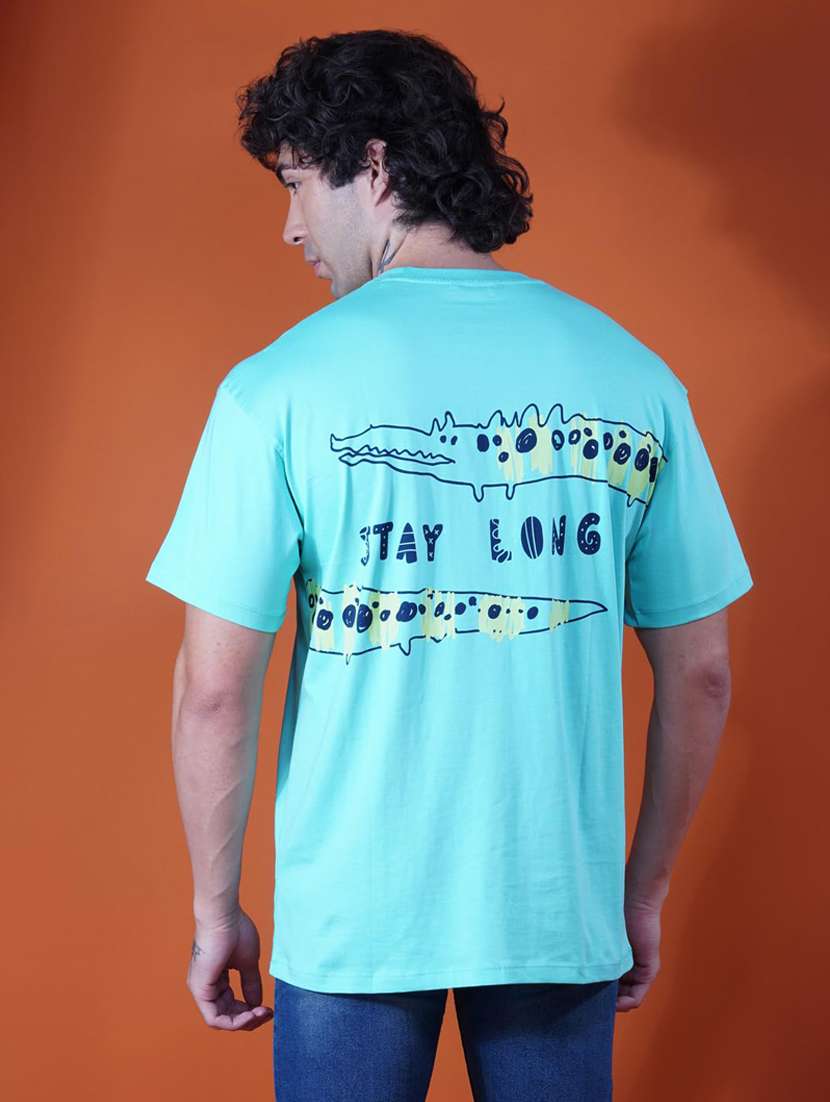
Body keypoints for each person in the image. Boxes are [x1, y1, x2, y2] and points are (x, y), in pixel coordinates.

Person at [145, 28, 754, 1102]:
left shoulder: (274, 389)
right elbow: (700, 673)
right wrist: (639, 894)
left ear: (372, 165)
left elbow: (213, 690)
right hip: (557, 912)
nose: (291, 226)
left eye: (296, 184)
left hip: (353, 921)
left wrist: (214, 909)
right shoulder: (635, 376)